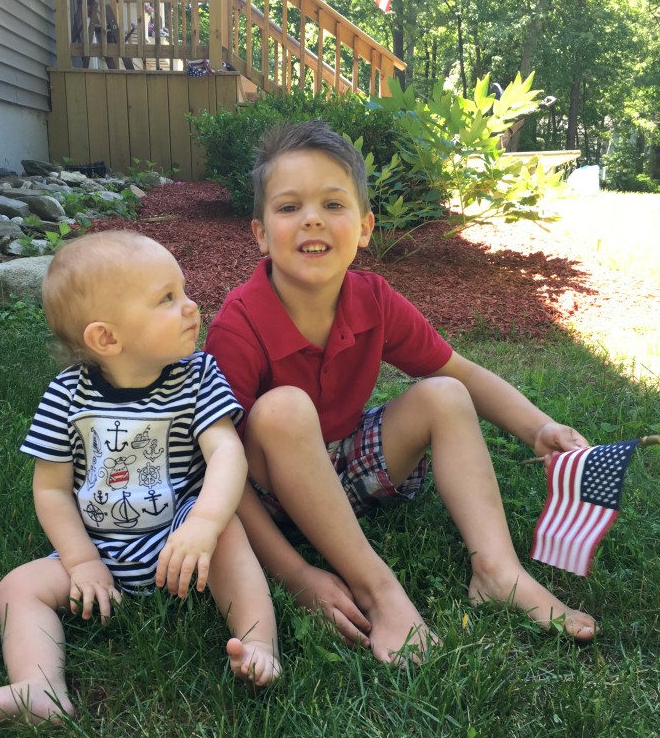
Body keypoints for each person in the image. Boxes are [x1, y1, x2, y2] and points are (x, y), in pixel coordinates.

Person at [205, 119, 596, 663]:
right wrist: (296, 574)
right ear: (261, 234)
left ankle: (497, 569)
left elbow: (464, 373)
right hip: (271, 496)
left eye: (333, 205)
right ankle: (380, 592)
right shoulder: (239, 325)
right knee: (282, 410)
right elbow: (214, 468)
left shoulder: (374, 298)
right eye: (289, 207)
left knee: (446, 393)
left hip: (348, 468)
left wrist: (539, 427)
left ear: (364, 228)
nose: (312, 217)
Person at [0, 231, 280, 725]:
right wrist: (82, 561)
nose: (192, 306)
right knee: (17, 587)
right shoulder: (67, 395)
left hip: (181, 541)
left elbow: (227, 453)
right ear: (106, 337)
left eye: (184, 291)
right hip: (98, 549)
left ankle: (258, 643)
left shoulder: (197, 376)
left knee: (231, 533)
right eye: (167, 299)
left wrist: (205, 525)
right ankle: (41, 688)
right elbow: (50, 488)